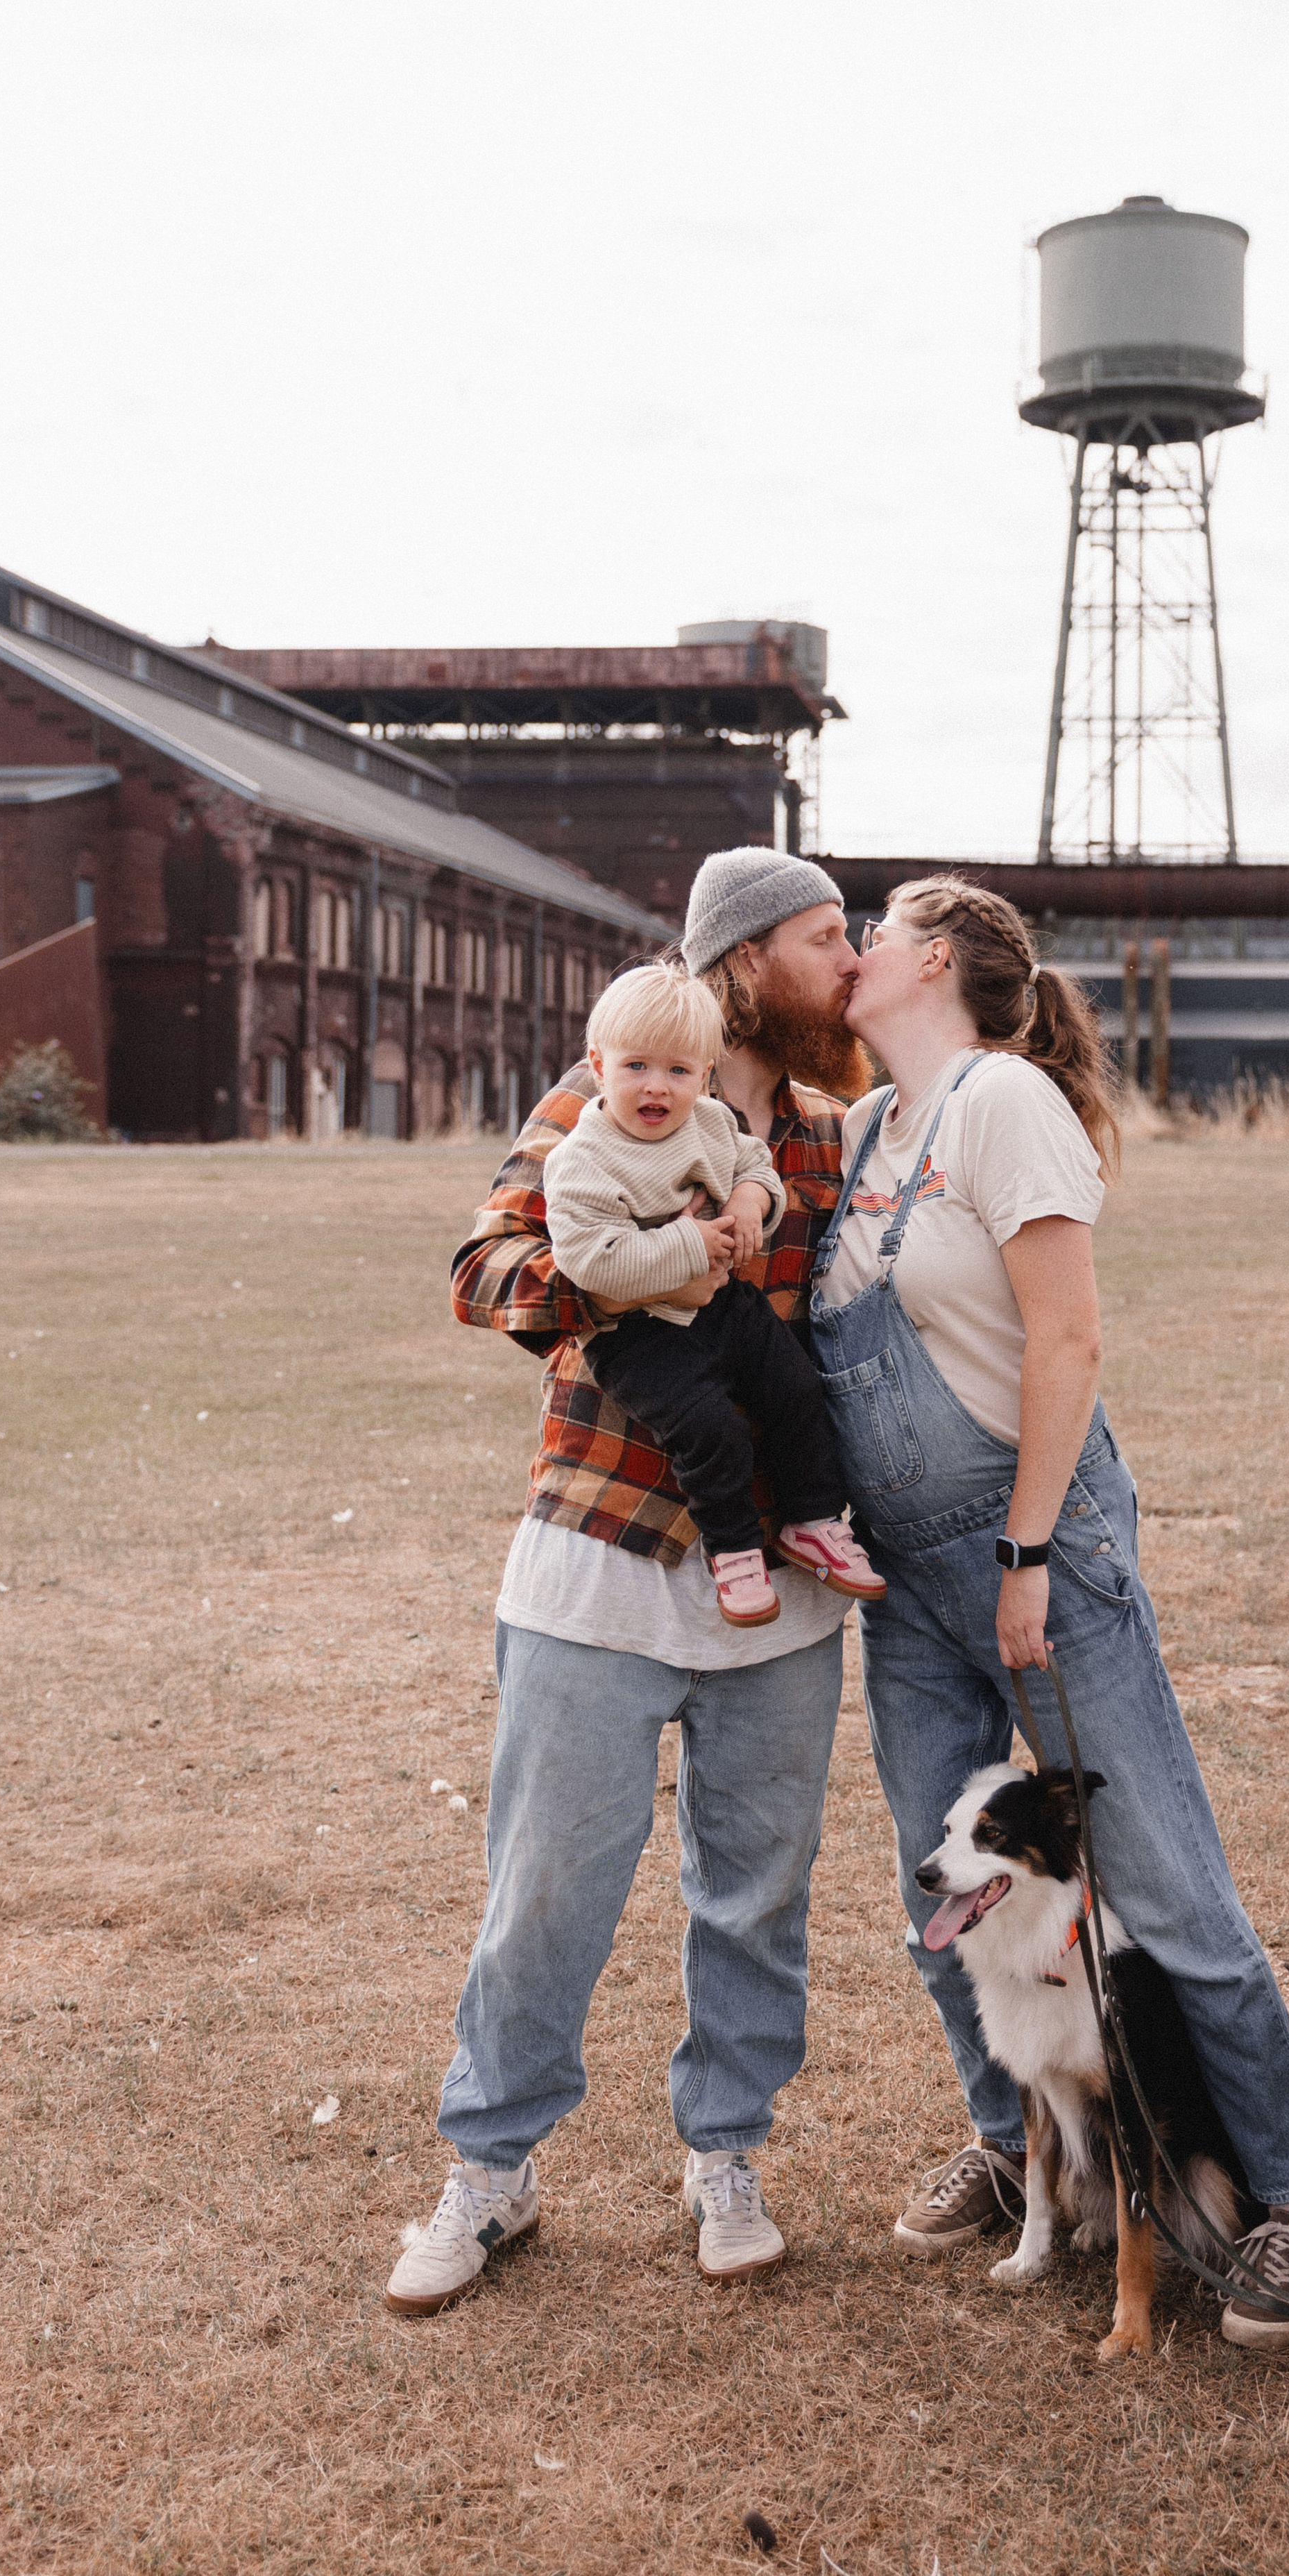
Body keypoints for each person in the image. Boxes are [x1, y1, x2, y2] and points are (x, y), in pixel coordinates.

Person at [809, 876, 1289, 2350]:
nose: (853, 944)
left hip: (1035, 1550)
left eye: (876, 924)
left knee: (1166, 1892)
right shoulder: (865, 1132)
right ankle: (1018, 2150)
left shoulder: (1002, 1102)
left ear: (931, 959)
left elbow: (1067, 1333)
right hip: (905, 1582)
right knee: (949, 1897)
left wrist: (1028, 1551)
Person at [385, 847, 875, 2316]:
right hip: (596, 1556)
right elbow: (485, 1268)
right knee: (544, 1890)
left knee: (755, 1896)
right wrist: (640, 1278)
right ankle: (491, 2170)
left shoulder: (827, 1134)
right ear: (740, 962)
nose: (846, 964)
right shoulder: (607, 1097)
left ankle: (724, 2154)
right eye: (821, 938)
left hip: (779, 1574)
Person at [542, 961, 883, 1625]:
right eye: (635, 1066)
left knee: (796, 1388)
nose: (656, 1088)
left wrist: (755, 1200)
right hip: (639, 1335)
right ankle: (734, 1555)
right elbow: (590, 1260)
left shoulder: (711, 1122)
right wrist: (692, 1245)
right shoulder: (582, 1156)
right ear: (596, 1063)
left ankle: (811, 1521)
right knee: (711, 1431)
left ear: (706, 1072)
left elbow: (753, 1162)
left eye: (679, 1071)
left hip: (727, 1308)